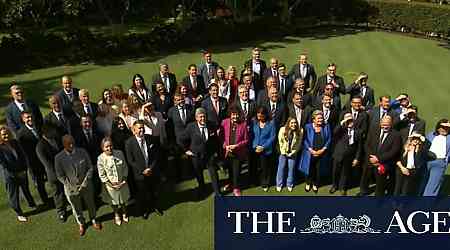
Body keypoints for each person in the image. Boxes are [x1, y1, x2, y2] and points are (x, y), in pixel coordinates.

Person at [55, 135, 102, 236]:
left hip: (86, 185)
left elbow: (90, 168)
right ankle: (81, 223)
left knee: (91, 204)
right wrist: (70, 186)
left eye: (72, 142)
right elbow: (60, 175)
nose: (71, 145)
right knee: (76, 208)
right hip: (71, 189)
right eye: (68, 144)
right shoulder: (58, 158)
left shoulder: (83, 152)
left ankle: (94, 219)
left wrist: (85, 183)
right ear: (63, 145)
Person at [125, 120, 162, 219]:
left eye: (142, 127)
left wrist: (150, 168)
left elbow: (155, 155)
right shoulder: (129, 143)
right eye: (139, 128)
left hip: (152, 172)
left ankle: (155, 206)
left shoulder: (150, 139)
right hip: (139, 175)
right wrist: (143, 170)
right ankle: (145, 210)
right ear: (134, 130)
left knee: (154, 190)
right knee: (143, 193)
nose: (142, 129)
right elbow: (130, 161)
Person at [182, 108, 221, 198]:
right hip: (196, 155)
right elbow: (182, 139)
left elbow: (215, 139)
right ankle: (202, 189)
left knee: (214, 173)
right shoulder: (191, 127)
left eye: (204, 116)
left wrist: (215, 151)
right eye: (200, 117)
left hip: (209, 154)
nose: (203, 119)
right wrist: (186, 150)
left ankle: (217, 192)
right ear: (196, 118)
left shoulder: (211, 125)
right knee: (199, 174)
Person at [0, 126, 37, 222]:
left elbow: (22, 155)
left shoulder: (15, 142)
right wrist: (15, 174)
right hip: (10, 176)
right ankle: (19, 213)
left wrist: (24, 169)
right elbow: (4, 165)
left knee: (26, 189)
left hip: (22, 171)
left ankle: (31, 203)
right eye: (4, 134)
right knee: (13, 195)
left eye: (7, 133)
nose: (6, 135)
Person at [36, 124, 67, 222]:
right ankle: (61, 211)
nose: (55, 132)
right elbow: (47, 164)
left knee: (67, 190)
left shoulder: (57, 139)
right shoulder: (40, 147)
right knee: (57, 193)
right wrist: (59, 174)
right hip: (54, 175)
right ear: (45, 133)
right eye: (52, 131)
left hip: (65, 170)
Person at [17, 111, 49, 205]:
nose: (30, 119)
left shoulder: (39, 127)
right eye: (27, 118)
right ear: (23, 120)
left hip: (45, 158)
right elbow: (25, 152)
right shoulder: (21, 134)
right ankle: (45, 200)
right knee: (40, 183)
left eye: (30, 117)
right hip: (34, 162)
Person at [364, 115, 402, 196]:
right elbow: (367, 144)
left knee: (380, 184)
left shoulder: (396, 135)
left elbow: (394, 151)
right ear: (380, 123)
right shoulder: (373, 131)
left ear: (391, 124)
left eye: (387, 124)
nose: (385, 126)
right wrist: (371, 157)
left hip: (384, 164)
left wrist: (378, 159)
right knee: (365, 179)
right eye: (383, 124)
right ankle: (363, 191)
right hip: (370, 160)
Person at [97, 137, 130, 226]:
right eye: (106, 147)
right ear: (102, 148)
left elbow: (125, 167)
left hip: (122, 182)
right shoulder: (100, 159)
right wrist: (112, 185)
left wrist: (124, 179)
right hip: (110, 186)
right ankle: (116, 214)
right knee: (113, 202)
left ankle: (124, 212)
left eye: (110, 145)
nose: (109, 148)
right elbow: (102, 175)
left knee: (123, 200)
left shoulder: (120, 153)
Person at [298, 110, 331, 193]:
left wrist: (323, 149)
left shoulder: (326, 126)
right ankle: (308, 183)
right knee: (309, 169)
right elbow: (304, 140)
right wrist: (310, 150)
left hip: (321, 153)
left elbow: (329, 139)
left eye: (321, 118)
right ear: (313, 119)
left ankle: (315, 184)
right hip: (309, 153)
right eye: (318, 119)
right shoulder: (307, 127)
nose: (321, 120)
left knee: (318, 170)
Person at [330, 113, 363, 195]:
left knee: (345, 173)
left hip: (349, 157)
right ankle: (334, 185)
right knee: (335, 172)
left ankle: (342, 188)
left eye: (351, 120)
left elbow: (359, 147)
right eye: (348, 120)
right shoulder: (341, 130)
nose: (350, 122)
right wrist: (343, 122)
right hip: (338, 155)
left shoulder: (358, 131)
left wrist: (356, 158)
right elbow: (334, 132)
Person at [220, 106, 249, 196]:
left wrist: (237, 146)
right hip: (227, 153)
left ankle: (236, 188)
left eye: (236, 115)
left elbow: (246, 140)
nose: (235, 117)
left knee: (236, 172)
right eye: (233, 115)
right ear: (230, 115)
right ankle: (230, 184)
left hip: (238, 153)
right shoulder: (224, 122)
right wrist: (225, 146)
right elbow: (221, 136)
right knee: (230, 171)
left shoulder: (243, 124)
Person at [250, 106, 276, 191]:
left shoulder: (271, 123)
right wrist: (255, 146)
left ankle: (265, 183)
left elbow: (272, 137)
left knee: (265, 167)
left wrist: (263, 147)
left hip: (266, 150)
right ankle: (255, 181)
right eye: (258, 114)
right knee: (255, 166)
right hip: (255, 148)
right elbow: (251, 135)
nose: (259, 116)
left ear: (265, 114)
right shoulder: (254, 122)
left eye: (261, 114)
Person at [422, 120, 450, 196]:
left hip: (439, 163)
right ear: (438, 128)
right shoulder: (430, 135)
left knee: (432, 186)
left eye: (448, 127)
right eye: (443, 127)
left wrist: (445, 161)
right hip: (426, 161)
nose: (446, 129)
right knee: (421, 183)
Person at [276, 117, 303, 192]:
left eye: (295, 123)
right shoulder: (282, 129)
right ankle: (279, 184)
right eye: (292, 123)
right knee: (281, 167)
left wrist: (292, 153)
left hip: (293, 153)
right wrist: (284, 152)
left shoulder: (300, 131)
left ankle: (289, 184)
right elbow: (280, 142)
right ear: (288, 123)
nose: (294, 124)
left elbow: (299, 144)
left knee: (291, 168)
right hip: (283, 152)